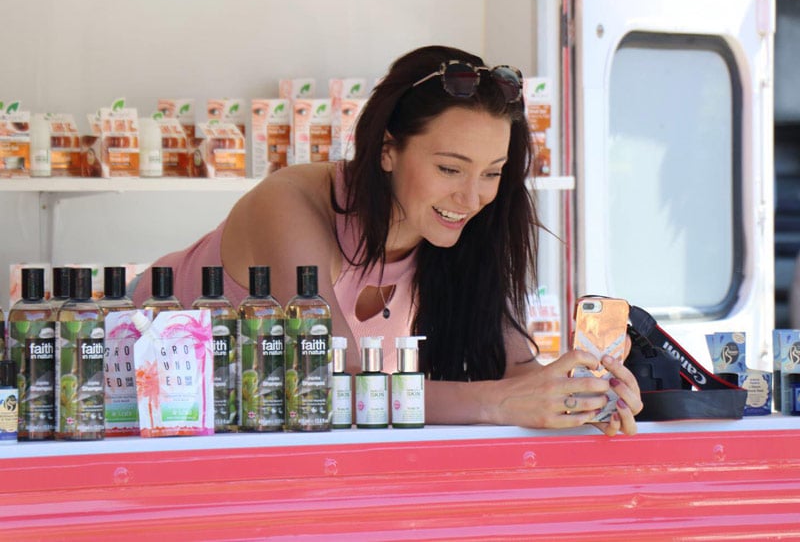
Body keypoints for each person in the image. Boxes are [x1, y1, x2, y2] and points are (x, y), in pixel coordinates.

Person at [132, 45, 643, 435]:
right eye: (449, 168)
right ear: (386, 150)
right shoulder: (289, 203)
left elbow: (517, 373)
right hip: (107, 404)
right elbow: (335, 384)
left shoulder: (464, 228)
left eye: (492, 173)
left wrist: (585, 396)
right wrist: (498, 404)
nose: (471, 197)